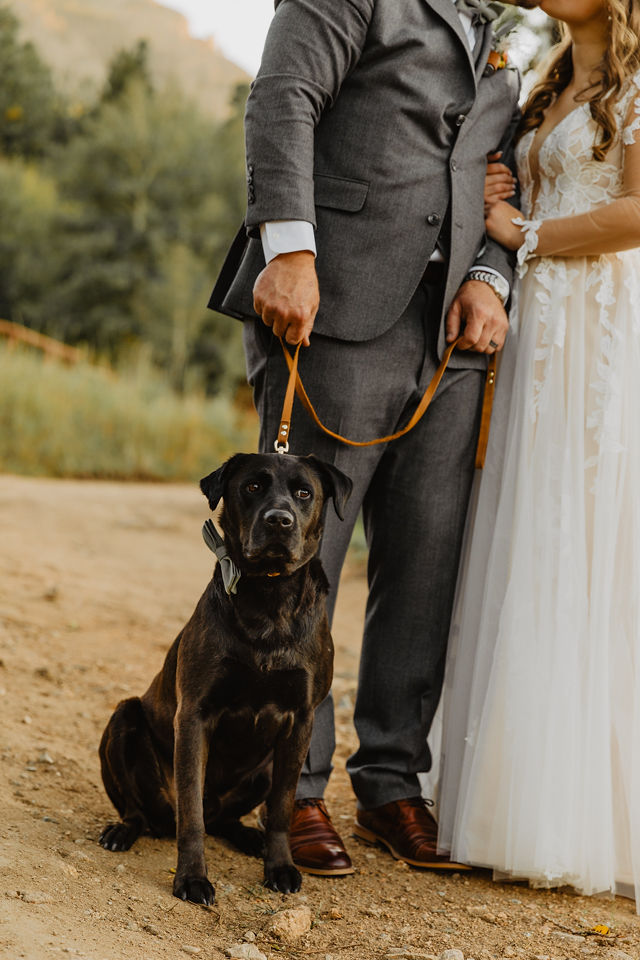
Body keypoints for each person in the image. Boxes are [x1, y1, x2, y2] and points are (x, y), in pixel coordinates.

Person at [210, 0, 532, 876]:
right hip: (333, 307)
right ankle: (296, 788)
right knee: (302, 559)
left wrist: (487, 275)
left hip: (452, 340)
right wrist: (290, 249)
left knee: (427, 563)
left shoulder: (509, 33)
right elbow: (284, 95)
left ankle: (391, 782)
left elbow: (501, 169)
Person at [437, 0, 640, 904]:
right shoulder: (549, 79)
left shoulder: (638, 84)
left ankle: (565, 811)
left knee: (578, 525)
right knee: (521, 522)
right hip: (535, 320)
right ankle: (500, 791)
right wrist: (498, 194)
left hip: (595, 321)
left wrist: (530, 236)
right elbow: (515, 185)